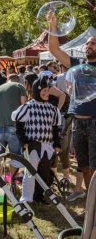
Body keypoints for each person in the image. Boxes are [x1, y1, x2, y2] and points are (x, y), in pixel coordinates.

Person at [48, 11, 96, 191]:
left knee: (94, 167)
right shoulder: (77, 65)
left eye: (93, 43)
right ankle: (92, 206)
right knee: (83, 166)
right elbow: (54, 49)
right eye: (88, 43)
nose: (88, 45)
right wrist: (52, 26)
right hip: (77, 122)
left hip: (95, 123)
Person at [11, 75, 61, 204]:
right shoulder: (28, 107)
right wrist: (23, 141)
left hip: (47, 145)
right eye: (43, 91)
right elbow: (19, 126)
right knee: (30, 172)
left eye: (47, 91)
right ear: (36, 91)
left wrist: (56, 143)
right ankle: (27, 198)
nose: (46, 93)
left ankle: (39, 196)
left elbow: (55, 128)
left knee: (44, 172)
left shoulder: (52, 109)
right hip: (33, 144)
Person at [0, 74, 27, 177]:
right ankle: (13, 183)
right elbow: (24, 105)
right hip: (13, 125)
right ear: (17, 80)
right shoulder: (19, 86)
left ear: (7, 80)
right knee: (15, 157)